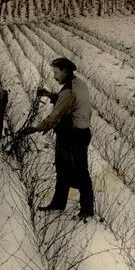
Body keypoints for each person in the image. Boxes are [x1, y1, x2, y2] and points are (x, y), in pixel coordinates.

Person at [24, 57, 94, 219]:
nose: (54, 76)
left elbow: (55, 115)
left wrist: (36, 128)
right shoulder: (78, 84)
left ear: (65, 71)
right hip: (80, 134)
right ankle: (58, 203)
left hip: (72, 136)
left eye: (56, 72)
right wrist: (50, 95)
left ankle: (87, 210)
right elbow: (68, 102)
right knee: (63, 169)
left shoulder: (68, 91)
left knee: (79, 172)